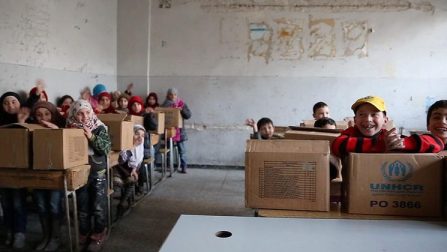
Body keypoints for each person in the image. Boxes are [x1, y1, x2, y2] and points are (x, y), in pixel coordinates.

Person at [331, 96, 444, 158]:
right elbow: (338, 145)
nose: (368, 119)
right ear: (355, 120)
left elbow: (437, 143)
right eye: (362, 114)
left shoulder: (390, 137)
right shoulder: (351, 133)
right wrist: (381, 145)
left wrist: (403, 144)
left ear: (385, 120)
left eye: (374, 114)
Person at [66, 99, 111, 252]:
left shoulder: (99, 128)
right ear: (74, 114)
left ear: (92, 113)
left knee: (98, 206)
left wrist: (91, 137)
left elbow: (105, 149)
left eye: (87, 112)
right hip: (80, 174)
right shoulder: (70, 128)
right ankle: (84, 233)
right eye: (80, 114)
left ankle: (99, 233)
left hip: (98, 173)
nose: (84, 117)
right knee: (83, 207)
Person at [29, 101, 66, 251]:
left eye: (46, 114)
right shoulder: (31, 129)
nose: (43, 118)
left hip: (55, 174)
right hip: (37, 174)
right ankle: (46, 236)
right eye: (38, 115)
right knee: (41, 205)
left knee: (53, 204)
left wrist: (56, 130)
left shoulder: (60, 128)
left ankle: (55, 238)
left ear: (53, 115)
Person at [0, 92, 28, 249]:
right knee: (5, 202)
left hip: (19, 170)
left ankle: (19, 233)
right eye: (6, 103)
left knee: (18, 203)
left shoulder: (27, 120)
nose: (10, 105)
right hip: (2, 169)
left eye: (13, 101)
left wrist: (21, 122)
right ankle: (9, 230)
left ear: (20, 103)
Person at [113, 125, 146, 218]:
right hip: (119, 169)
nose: (140, 137)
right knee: (117, 183)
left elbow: (139, 161)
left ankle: (122, 204)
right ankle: (108, 209)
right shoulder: (125, 144)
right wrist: (133, 146)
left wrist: (135, 170)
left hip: (130, 170)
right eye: (137, 134)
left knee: (132, 180)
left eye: (142, 135)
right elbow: (122, 160)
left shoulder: (141, 147)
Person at [161, 88, 191, 173]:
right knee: (168, 150)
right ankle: (168, 166)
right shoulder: (164, 104)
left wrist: (182, 111)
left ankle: (184, 166)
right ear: (168, 95)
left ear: (177, 95)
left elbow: (188, 115)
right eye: (171, 94)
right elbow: (161, 113)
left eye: (175, 94)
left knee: (182, 150)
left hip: (180, 132)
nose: (173, 96)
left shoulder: (181, 104)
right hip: (168, 131)